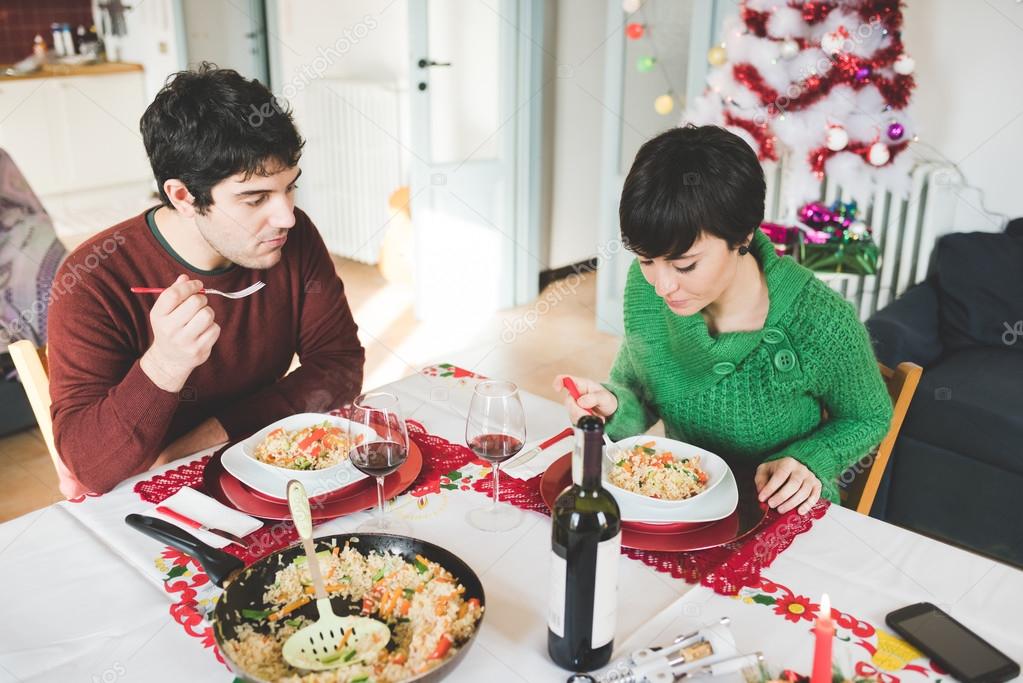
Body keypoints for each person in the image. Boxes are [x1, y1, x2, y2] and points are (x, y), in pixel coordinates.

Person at [47, 64, 365, 495]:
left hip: (260, 469)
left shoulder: (293, 236)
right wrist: (164, 365)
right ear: (183, 196)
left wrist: (205, 438)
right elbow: (90, 468)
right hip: (148, 497)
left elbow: (340, 365)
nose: (286, 215)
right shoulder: (93, 279)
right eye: (255, 198)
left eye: (290, 187)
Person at [555, 125, 892, 515]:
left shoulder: (819, 321)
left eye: (685, 264)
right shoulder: (646, 291)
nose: (663, 285)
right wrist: (612, 403)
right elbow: (639, 397)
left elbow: (870, 416)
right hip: (683, 507)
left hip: (777, 512)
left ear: (743, 236)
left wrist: (810, 458)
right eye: (646, 260)